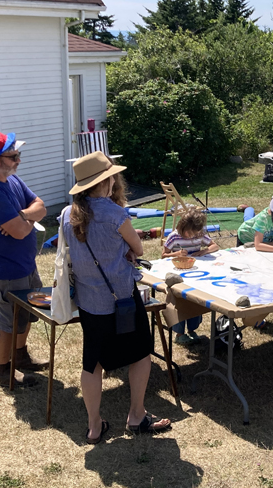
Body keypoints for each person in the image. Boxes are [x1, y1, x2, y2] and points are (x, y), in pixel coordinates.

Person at [63, 151, 171, 444]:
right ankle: (136, 415)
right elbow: (139, 249)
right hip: (122, 298)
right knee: (140, 354)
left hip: (89, 302)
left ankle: (94, 425)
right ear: (108, 181)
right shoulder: (115, 214)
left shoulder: (66, 214)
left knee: (92, 364)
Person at [0, 122, 49, 387]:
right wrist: (23, 222)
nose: (18, 160)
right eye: (12, 156)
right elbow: (17, 232)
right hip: (6, 269)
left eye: (17, 155)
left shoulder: (12, 179)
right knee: (8, 320)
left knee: (26, 315)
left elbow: (41, 207)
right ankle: (2, 370)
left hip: (26, 264)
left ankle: (20, 356)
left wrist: (23, 215)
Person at [162, 207, 219, 345]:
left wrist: (203, 251)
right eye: (188, 233)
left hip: (196, 273)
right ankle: (179, 333)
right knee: (180, 302)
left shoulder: (199, 235)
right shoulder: (174, 236)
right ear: (182, 227)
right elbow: (163, 255)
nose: (190, 236)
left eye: (194, 233)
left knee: (195, 300)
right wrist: (175, 254)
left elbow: (215, 246)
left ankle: (192, 329)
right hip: (179, 273)